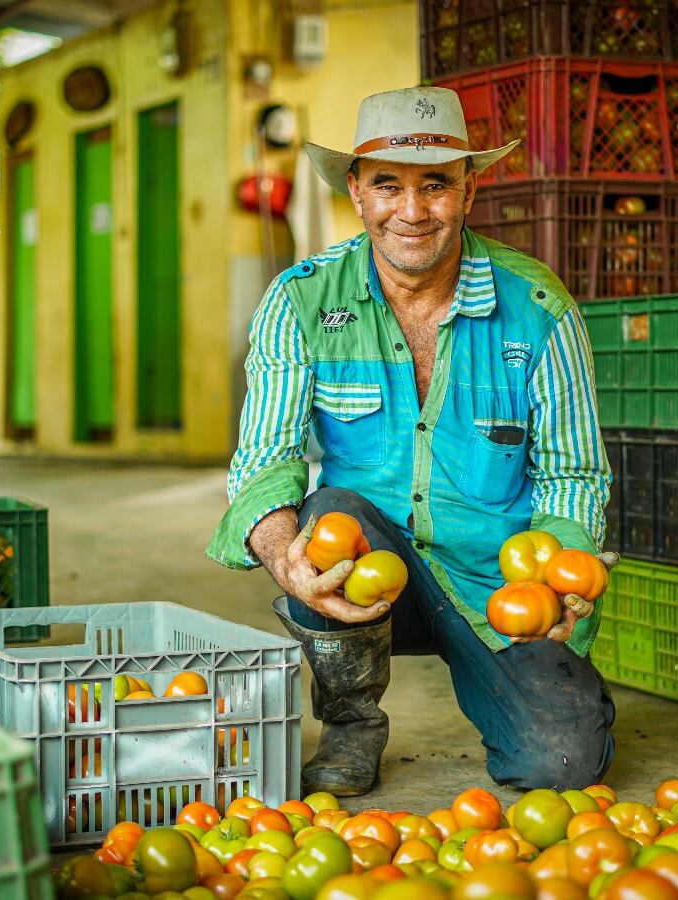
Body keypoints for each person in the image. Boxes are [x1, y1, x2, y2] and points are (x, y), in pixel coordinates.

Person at [208, 86, 615, 797]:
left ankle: (537, 693)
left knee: (560, 766)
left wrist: (562, 577)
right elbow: (264, 461)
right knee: (323, 519)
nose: (413, 210)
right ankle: (351, 722)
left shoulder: (540, 308)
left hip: (497, 587)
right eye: (388, 186)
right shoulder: (302, 301)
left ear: (469, 188)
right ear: (358, 194)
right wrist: (286, 558)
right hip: (369, 571)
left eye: (436, 185)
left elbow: (573, 471)